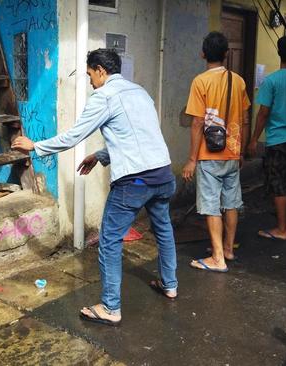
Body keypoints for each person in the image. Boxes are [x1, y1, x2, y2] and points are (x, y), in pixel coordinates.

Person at [12, 49, 177, 326]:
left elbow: (75, 135)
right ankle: (170, 284)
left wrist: (36, 147)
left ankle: (111, 308)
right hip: (162, 175)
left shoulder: (104, 97)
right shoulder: (140, 92)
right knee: (163, 228)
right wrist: (100, 156)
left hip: (133, 182)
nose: (90, 82)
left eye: (90, 75)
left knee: (110, 240)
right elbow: (136, 137)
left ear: (100, 70)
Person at [181, 32, 251, 272]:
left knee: (211, 206)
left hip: (209, 154)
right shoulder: (239, 81)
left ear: (203, 53)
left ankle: (217, 259)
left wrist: (191, 159)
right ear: (225, 54)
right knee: (231, 203)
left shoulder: (200, 82)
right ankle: (228, 249)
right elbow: (243, 119)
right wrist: (240, 150)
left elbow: (198, 123)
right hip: (232, 151)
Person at [247, 34, 286, 241]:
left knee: (279, 183)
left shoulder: (271, 80)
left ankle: (281, 229)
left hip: (277, 140)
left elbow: (263, 113)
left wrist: (254, 138)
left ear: (279, 53)